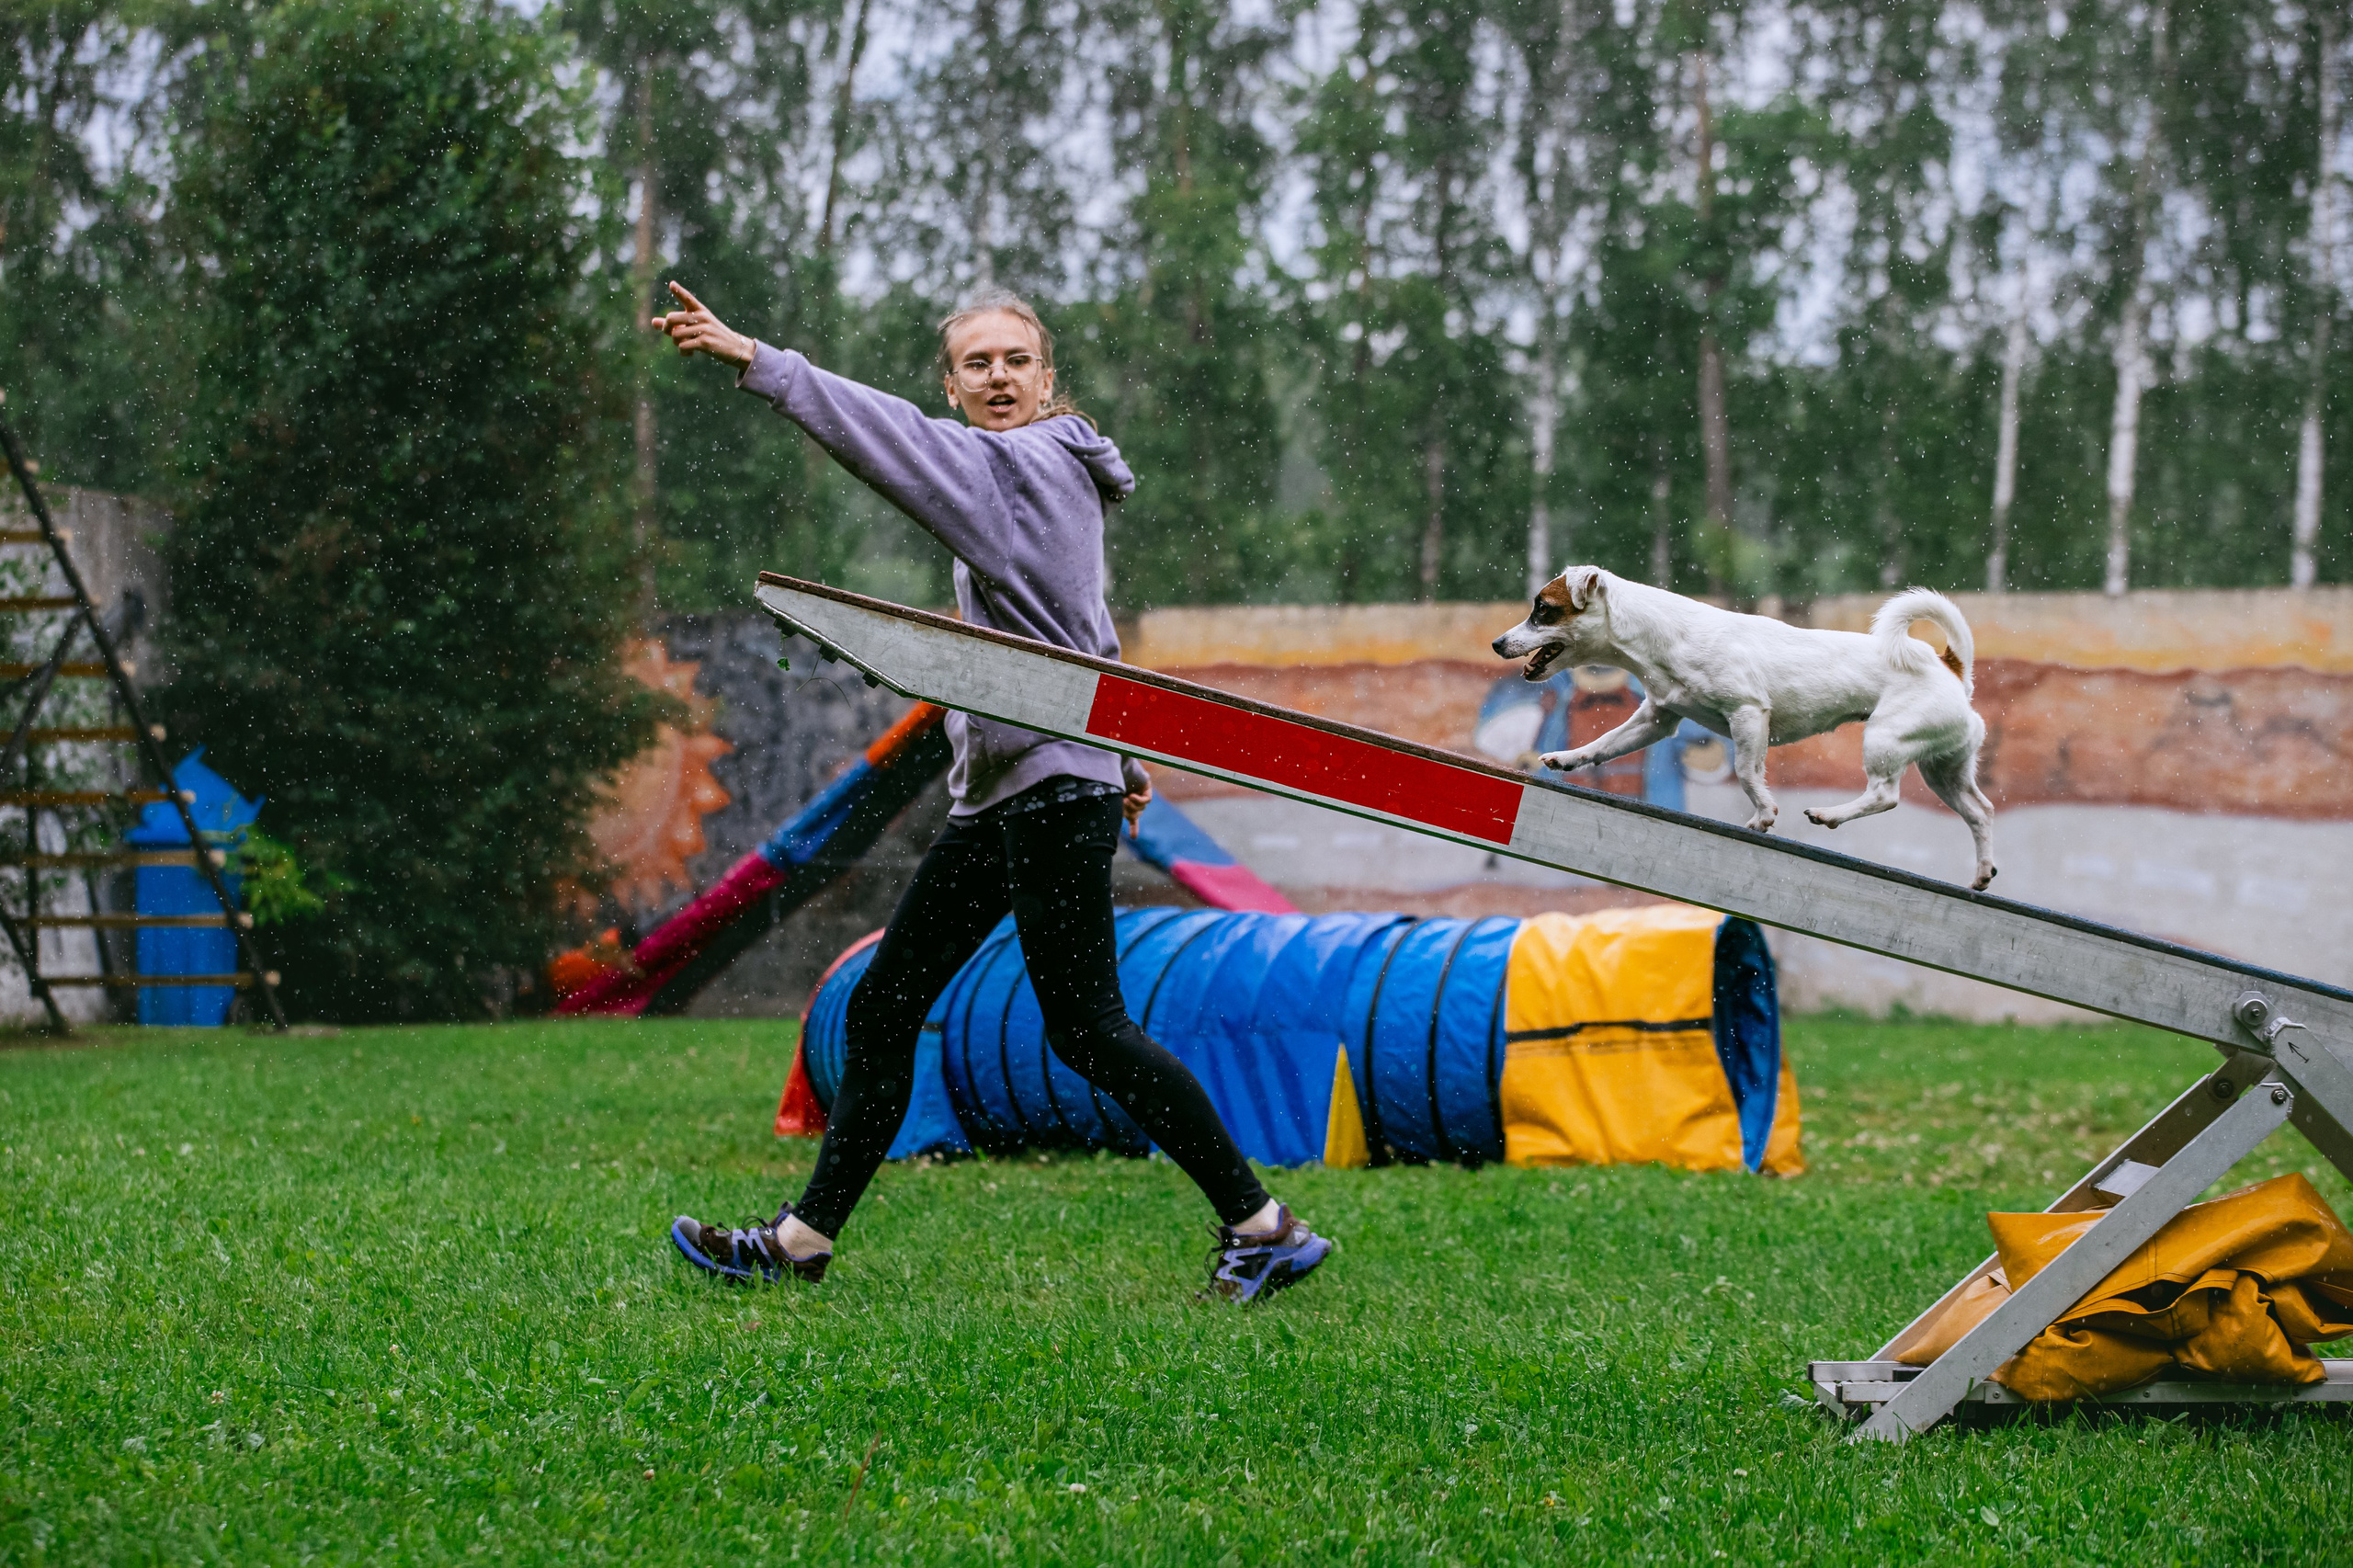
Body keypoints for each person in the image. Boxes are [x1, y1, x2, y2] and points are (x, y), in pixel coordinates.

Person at [653, 281, 1332, 1303]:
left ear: (1046, 378)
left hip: (1050, 788)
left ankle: (1263, 1224)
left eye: (1016, 359)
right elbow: (1076, 633)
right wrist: (1128, 760)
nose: (999, 376)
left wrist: (759, 357)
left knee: (1088, 1025)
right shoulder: (1037, 475)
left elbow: (885, 437)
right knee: (886, 1004)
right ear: (956, 383)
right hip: (1016, 788)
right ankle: (801, 1239)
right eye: (978, 364)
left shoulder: (1022, 463)